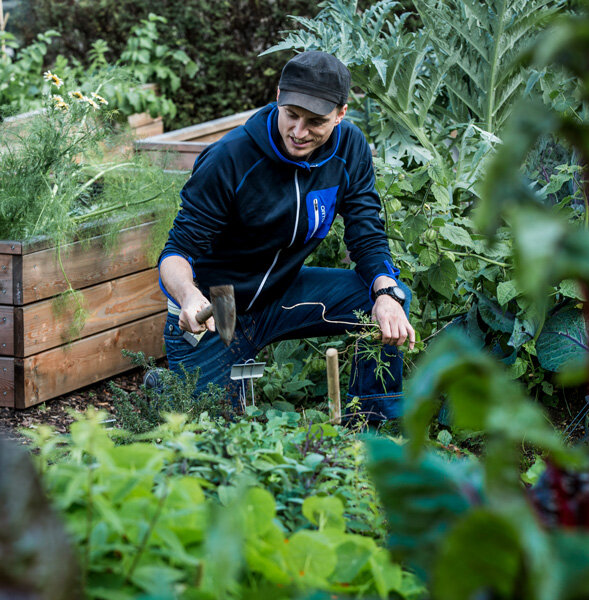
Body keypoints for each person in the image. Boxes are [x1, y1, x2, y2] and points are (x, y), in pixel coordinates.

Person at [157, 51, 415, 421]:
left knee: (389, 299)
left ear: (341, 114)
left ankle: (375, 424)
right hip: (219, 306)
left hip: (282, 293)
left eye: (316, 122)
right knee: (213, 431)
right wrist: (188, 296)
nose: (299, 131)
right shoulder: (230, 158)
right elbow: (176, 252)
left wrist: (384, 289)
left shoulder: (350, 148)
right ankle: (166, 389)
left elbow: (366, 230)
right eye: (292, 114)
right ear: (278, 96)